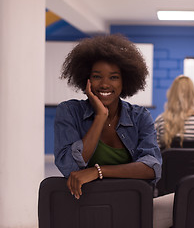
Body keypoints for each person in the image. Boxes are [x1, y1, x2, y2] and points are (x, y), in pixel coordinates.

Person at [54, 34, 162, 199]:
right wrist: (100, 117)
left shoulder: (140, 117)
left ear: (124, 81)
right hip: (84, 205)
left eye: (113, 77)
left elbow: (152, 167)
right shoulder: (69, 112)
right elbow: (69, 167)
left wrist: (98, 171)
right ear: (87, 79)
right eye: (97, 76)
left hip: (128, 203)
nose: (105, 84)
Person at [154, 75, 194, 149]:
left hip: (170, 161)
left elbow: (155, 154)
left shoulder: (160, 121)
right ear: (193, 95)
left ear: (171, 94)